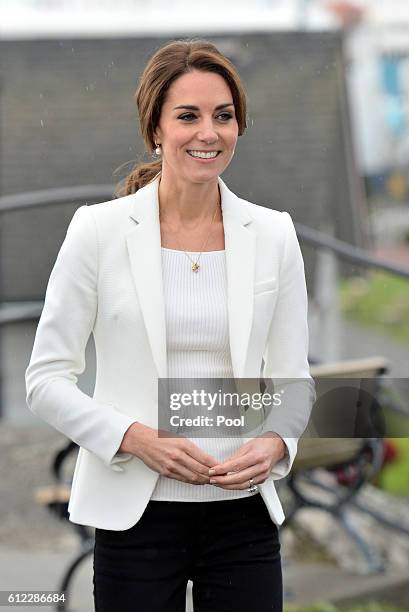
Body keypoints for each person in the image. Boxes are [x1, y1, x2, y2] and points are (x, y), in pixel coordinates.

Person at [25, 38, 315, 612]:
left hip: (244, 517)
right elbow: (45, 379)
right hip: (133, 518)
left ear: (238, 128)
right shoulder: (97, 232)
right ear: (155, 128)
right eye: (188, 116)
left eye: (224, 117)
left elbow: (294, 380)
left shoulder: (275, 233)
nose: (208, 133)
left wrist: (277, 438)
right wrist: (136, 438)